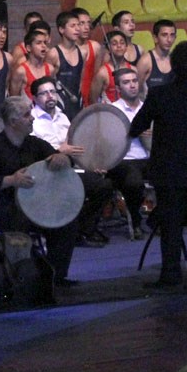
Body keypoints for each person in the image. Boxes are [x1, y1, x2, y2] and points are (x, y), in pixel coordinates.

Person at [128, 41, 187, 289]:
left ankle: (171, 274)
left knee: (171, 227)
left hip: (168, 171)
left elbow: (136, 126)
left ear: (172, 65)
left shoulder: (159, 94)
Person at [0, 95, 80, 286]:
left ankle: (56, 276)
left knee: (66, 222)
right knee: (19, 221)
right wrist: (11, 180)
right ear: (13, 121)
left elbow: (61, 158)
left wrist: (63, 159)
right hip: (1, 206)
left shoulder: (35, 144)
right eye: (26, 115)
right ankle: (22, 279)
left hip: (35, 203)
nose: (32, 118)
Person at [28, 76, 114, 246]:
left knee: (104, 184)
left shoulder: (63, 117)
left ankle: (82, 229)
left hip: (70, 167)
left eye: (52, 92)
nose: (50, 96)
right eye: (44, 93)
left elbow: (75, 148)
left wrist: (90, 165)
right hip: (47, 170)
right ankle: (75, 231)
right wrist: (59, 151)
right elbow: (33, 155)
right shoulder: (31, 120)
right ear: (35, 98)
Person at [106, 68, 151, 239]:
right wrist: (132, 132)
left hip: (148, 157)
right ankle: (136, 220)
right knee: (134, 182)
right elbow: (106, 141)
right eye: (126, 82)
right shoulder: (112, 110)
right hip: (123, 160)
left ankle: (157, 219)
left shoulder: (149, 108)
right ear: (118, 88)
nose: (132, 85)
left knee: (173, 175)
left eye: (134, 81)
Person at [51, 10, 88, 119]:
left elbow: (80, 80)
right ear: (61, 29)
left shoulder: (83, 52)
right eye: (72, 26)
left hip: (77, 102)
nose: (77, 29)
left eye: (78, 25)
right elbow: (48, 82)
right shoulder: (53, 54)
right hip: (59, 105)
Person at [7, 25, 53, 99]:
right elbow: (14, 99)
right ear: (28, 48)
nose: (44, 46)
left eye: (45, 42)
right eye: (39, 43)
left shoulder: (50, 69)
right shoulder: (20, 71)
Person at [89, 30, 133, 104]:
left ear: (126, 47)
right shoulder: (102, 73)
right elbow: (94, 99)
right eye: (114, 43)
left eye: (122, 43)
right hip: (109, 110)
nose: (119, 46)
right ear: (108, 48)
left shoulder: (133, 69)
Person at [136, 19, 177, 90]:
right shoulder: (145, 62)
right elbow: (135, 91)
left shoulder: (176, 60)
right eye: (164, 35)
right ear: (155, 38)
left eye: (172, 35)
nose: (169, 40)